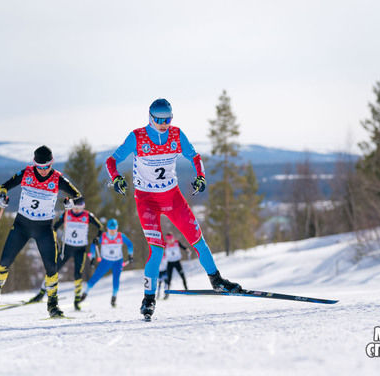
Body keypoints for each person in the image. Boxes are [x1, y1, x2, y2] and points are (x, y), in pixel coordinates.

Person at [105, 98, 242, 320]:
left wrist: (201, 177)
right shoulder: (137, 137)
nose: (163, 123)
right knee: (157, 250)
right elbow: (111, 162)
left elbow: (195, 157)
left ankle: (217, 281)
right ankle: (148, 300)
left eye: (167, 119)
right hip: (146, 200)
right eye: (158, 119)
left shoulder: (177, 135)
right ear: (150, 117)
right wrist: (117, 179)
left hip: (172, 197)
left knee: (198, 240)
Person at [0, 145, 82, 318]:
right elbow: (3, 186)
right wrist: (2, 198)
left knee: (51, 267)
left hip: (44, 228)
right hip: (22, 226)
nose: (43, 170)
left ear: (51, 163)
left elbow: (78, 195)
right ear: (34, 164)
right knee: (5, 260)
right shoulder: (27, 174)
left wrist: (69, 202)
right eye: (39, 167)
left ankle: (52, 304)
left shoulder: (57, 178)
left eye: (46, 166)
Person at [28, 196, 104, 311]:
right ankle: (42, 293)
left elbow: (100, 227)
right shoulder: (67, 214)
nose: (77, 210)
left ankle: (77, 300)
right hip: (66, 248)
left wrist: (97, 237)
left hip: (80, 249)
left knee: (78, 274)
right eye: (75, 207)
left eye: (80, 208)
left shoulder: (87, 216)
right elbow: (54, 227)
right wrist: (54, 240)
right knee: (53, 269)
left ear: (83, 207)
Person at [80, 218, 133, 307]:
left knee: (116, 279)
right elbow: (93, 245)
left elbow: (130, 244)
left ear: (117, 228)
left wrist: (130, 255)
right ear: (107, 229)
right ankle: (85, 293)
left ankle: (114, 297)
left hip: (118, 261)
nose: (112, 231)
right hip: (105, 261)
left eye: (114, 229)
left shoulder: (120, 236)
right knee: (96, 277)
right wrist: (92, 256)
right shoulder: (103, 236)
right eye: (110, 230)